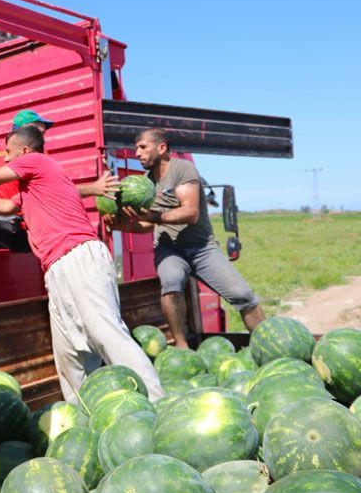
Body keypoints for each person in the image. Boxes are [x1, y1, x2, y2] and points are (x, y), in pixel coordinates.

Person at [0, 125, 164, 404]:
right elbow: (7, 207)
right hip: (57, 267)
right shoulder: (34, 186)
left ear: (24, 151)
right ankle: (82, 410)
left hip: (77, 256)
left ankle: (156, 401)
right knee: (69, 353)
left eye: (8, 152)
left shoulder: (36, 161)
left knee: (106, 333)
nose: (5, 158)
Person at [87, 128, 265, 348]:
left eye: (143, 147)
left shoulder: (182, 169)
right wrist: (122, 226)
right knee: (171, 283)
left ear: (161, 148)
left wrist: (156, 217)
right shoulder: (146, 185)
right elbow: (148, 225)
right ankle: (182, 347)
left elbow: (191, 213)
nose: (137, 153)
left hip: (202, 248)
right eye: (136, 148)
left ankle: (268, 344)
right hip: (169, 249)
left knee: (243, 295)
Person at [0, 109, 54, 252]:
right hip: (18, 229)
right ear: (26, 130)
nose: (43, 140)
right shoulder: (34, 153)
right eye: (40, 133)